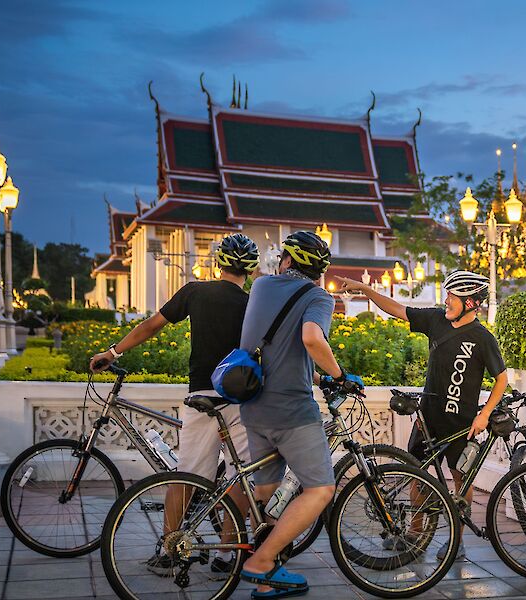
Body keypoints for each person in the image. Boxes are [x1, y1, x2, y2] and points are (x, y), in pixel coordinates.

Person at [89, 233, 260, 572]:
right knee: (241, 477)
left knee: (188, 475)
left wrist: (113, 352)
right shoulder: (253, 303)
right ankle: (226, 556)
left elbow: (151, 326)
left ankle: (169, 550)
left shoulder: (195, 292)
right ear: (250, 270)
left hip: (202, 397)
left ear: (220, 262)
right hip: (241, 399)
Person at [336, 269, 508, 559]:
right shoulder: (436, 320)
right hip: (427, 418)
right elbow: (396, 309)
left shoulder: (482, 338)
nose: (447, 301)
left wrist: (484, 416)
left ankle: (458, 540)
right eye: (448, 295)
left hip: (462, 422)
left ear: (470, 303)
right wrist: (365, 290)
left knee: (460, 480)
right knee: (417, 473)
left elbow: (501, 378)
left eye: (453, 297)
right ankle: (415, 534)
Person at [237, 231, 363, 598]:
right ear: (319, 272)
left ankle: (266, 577)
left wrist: (319, 375)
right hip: (291, 408)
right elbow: (310, 338)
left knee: (268, 492)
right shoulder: (318, 297)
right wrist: (339, 376)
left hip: (253, 403)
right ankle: (260, 562)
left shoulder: (260, 287)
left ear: (287, 261)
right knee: (321, 489)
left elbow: (277, 347)